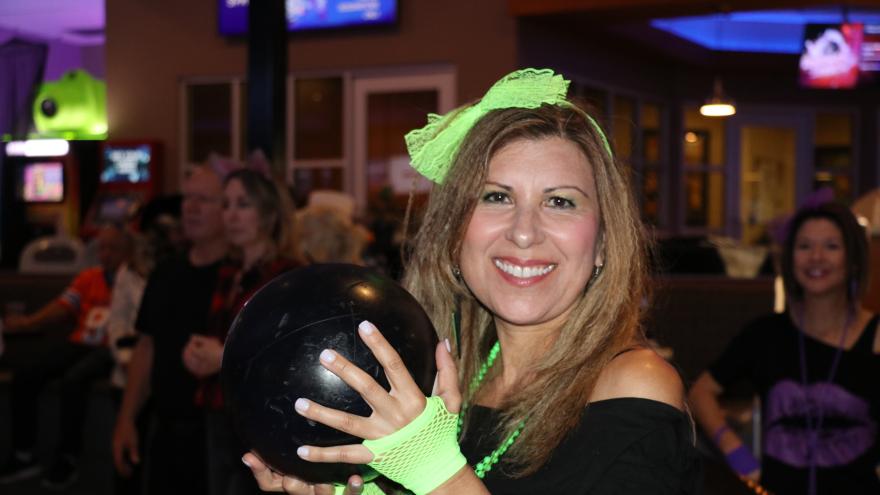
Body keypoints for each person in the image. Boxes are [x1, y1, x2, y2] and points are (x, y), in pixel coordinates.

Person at [244, 68, 700, 494]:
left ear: (602, 242)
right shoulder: (449, 372)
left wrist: (431, 466)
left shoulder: (635, 383)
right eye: (497, 196)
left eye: (560, 202)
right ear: (455, 231)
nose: (524, 232)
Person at [689, 202, 880, 495]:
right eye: (804, 246)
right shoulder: (765, 334)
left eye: (831, 246)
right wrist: (736, 453)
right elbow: (700, 392)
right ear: (790, 259)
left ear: (853, 259)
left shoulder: (877, 334)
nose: (816, 257)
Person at [183, 166, 302, 495]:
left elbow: (291, 357)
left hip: (263, 418)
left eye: (243, 204)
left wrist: (221, 356)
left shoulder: (287, 275)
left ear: (268, 214)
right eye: (227, 204)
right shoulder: (232, 270)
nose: (231, 215)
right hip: (219, 407)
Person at [112, 164, 228, 495]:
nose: (191, 208)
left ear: (227, 210)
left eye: (203, 200)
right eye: (187, 198)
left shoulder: (237, 279)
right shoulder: (167, 271)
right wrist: (126, 418)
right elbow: (147, 347)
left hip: (217, 434)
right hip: (165, 427)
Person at [0, 223, 133, 489]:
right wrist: (27, 323)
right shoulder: (88, 277)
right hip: (80, 342)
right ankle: (24, 455)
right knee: (27, 374)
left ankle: (68, 457)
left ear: (127, 251)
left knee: (74, 380)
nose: (106, 254)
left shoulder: (133, 280)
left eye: (113, 249)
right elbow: (62, 307)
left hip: (111, 350)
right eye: (102, 248)